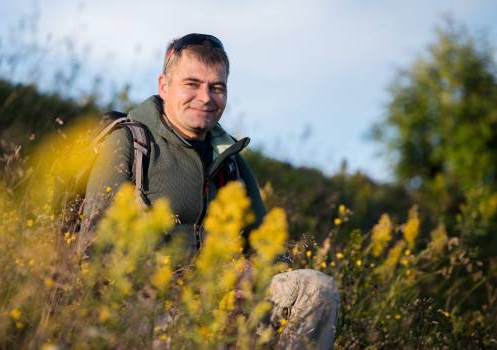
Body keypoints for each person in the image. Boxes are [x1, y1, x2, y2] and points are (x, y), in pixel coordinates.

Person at [81, 33, 339, 350]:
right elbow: (95, 249)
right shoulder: (129, 144)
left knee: (316, 289)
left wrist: (251, 274)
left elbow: (271, 253)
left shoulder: (232, 164)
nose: (205, 97)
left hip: (221, 303)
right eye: (192, 84)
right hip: (146, 304)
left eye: (216, 88)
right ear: (164, 86)